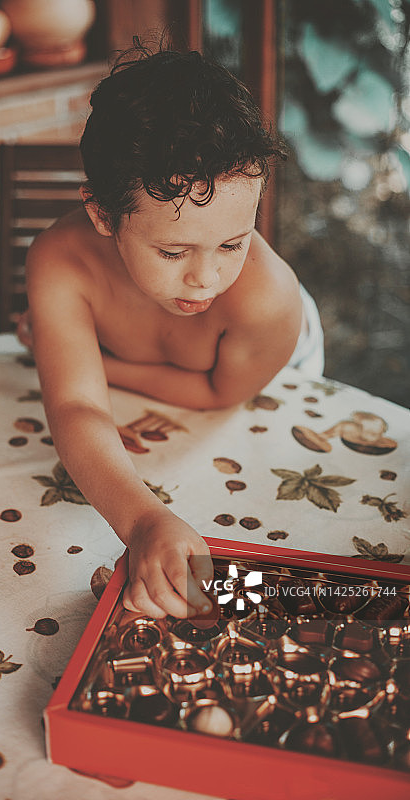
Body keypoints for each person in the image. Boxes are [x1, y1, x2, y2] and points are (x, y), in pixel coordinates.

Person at [25, 42, 324, 620]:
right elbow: (77, 406)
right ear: (103, 214)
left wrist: (91, 360)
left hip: (259, 366)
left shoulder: (265, 299)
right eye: (172, 249)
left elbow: (218, 393)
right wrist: (141, 518)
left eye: (233, 243)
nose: (205, 279)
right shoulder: (58, 261)